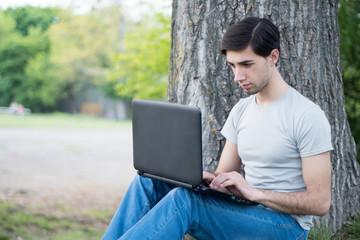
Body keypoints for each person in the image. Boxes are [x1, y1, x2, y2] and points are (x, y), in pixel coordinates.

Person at [102, 17, 333, 240]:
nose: (237, 76)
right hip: (245, 210)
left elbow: (320, 202)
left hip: (287, 226)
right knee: (149, 181)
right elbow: (223, 174)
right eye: (232, 65)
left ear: (273, 56)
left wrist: (256, 193)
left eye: (246, 64)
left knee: (185, 202)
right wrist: (207, 181)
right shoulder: (242, 110)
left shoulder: (306, 116)